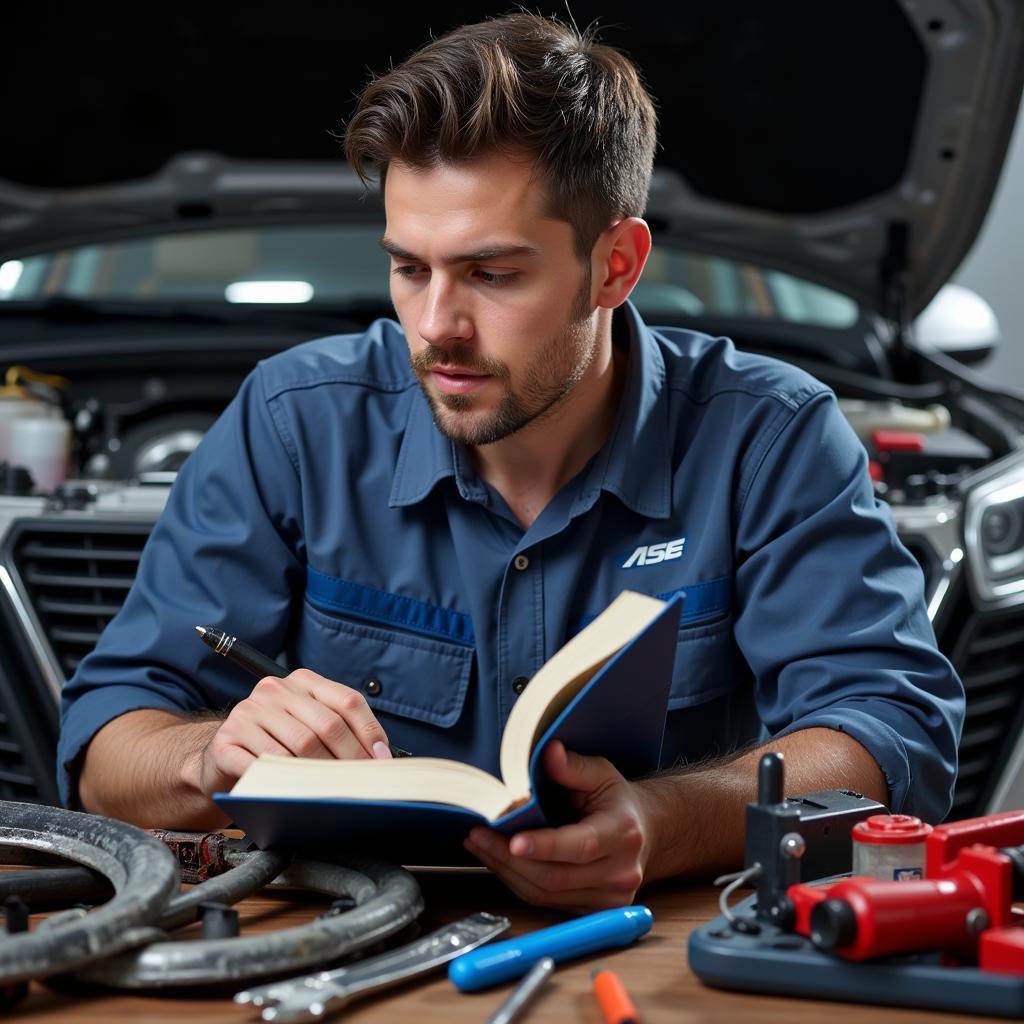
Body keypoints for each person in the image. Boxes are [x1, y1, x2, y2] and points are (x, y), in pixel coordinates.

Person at [60, 13, 963, 912]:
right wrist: (209, 755)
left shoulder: (771, 437)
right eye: (410, 268)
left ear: (615, 265)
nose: (435, 327)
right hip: (341, 946)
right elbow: (105, 746)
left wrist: (663, 821)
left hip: (657, 962)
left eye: (492, 274)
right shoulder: (294, 423)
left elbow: (891, 734)